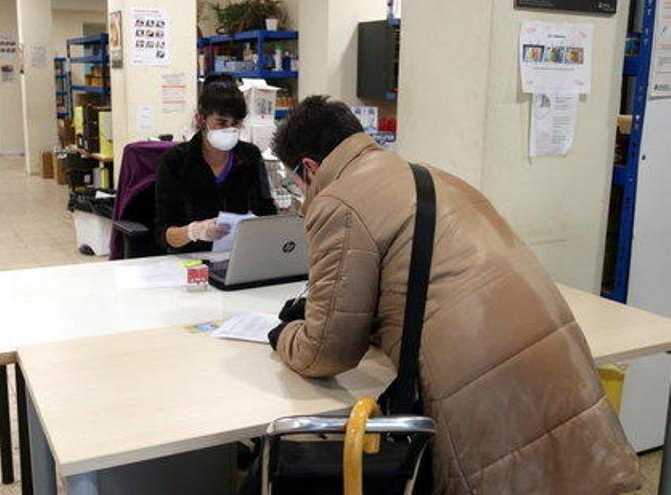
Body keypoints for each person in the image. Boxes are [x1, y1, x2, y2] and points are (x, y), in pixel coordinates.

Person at [267, 96, 640, 494]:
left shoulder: (337, 200)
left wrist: (285, 333)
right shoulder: (429, 175)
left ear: (309, 168)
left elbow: (326, 352)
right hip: (553, 366)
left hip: (483, 390)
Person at [155, 74, 277, 253]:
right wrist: (193, 231)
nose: (230, 129)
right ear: (200, 120)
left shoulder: (250, 156)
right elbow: (163, 233)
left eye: (236, 123)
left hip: (238, 256)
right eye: (222, 122)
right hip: (191, 259)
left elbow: (267, 213)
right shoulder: (175, 161)